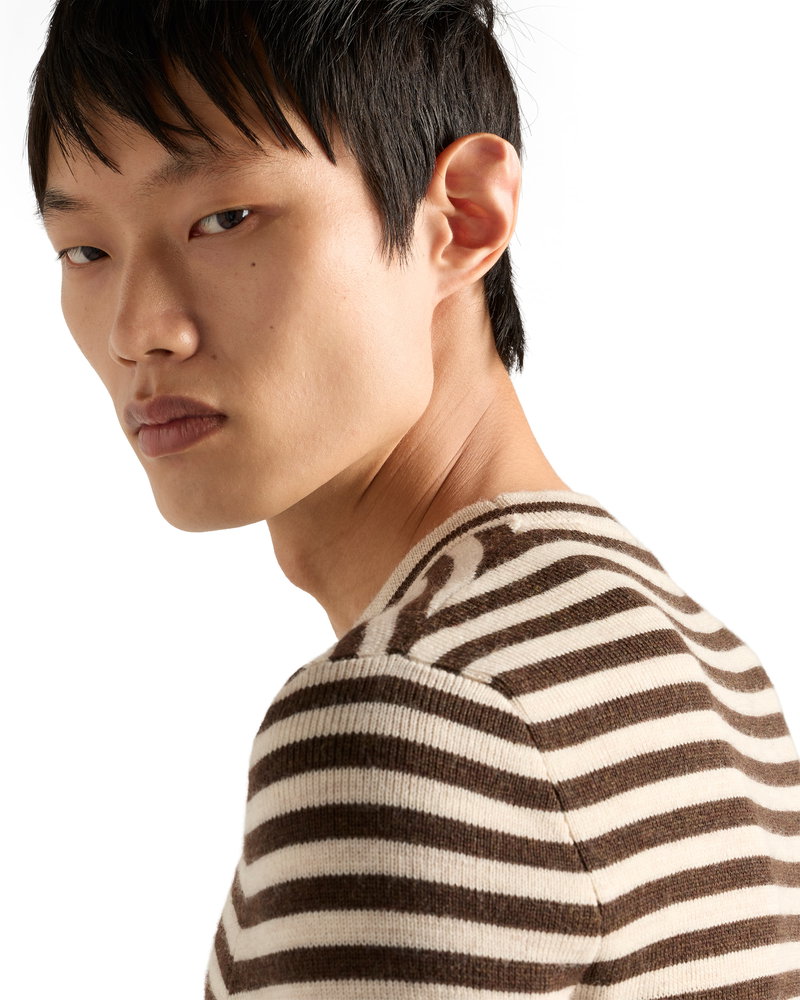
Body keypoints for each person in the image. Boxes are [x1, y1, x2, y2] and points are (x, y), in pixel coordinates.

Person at [26, 1, 800, 997]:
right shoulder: (711, 673)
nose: (138, 330)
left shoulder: (412, 717)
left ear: (463, 217)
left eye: (224, 218)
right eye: (84, 251)